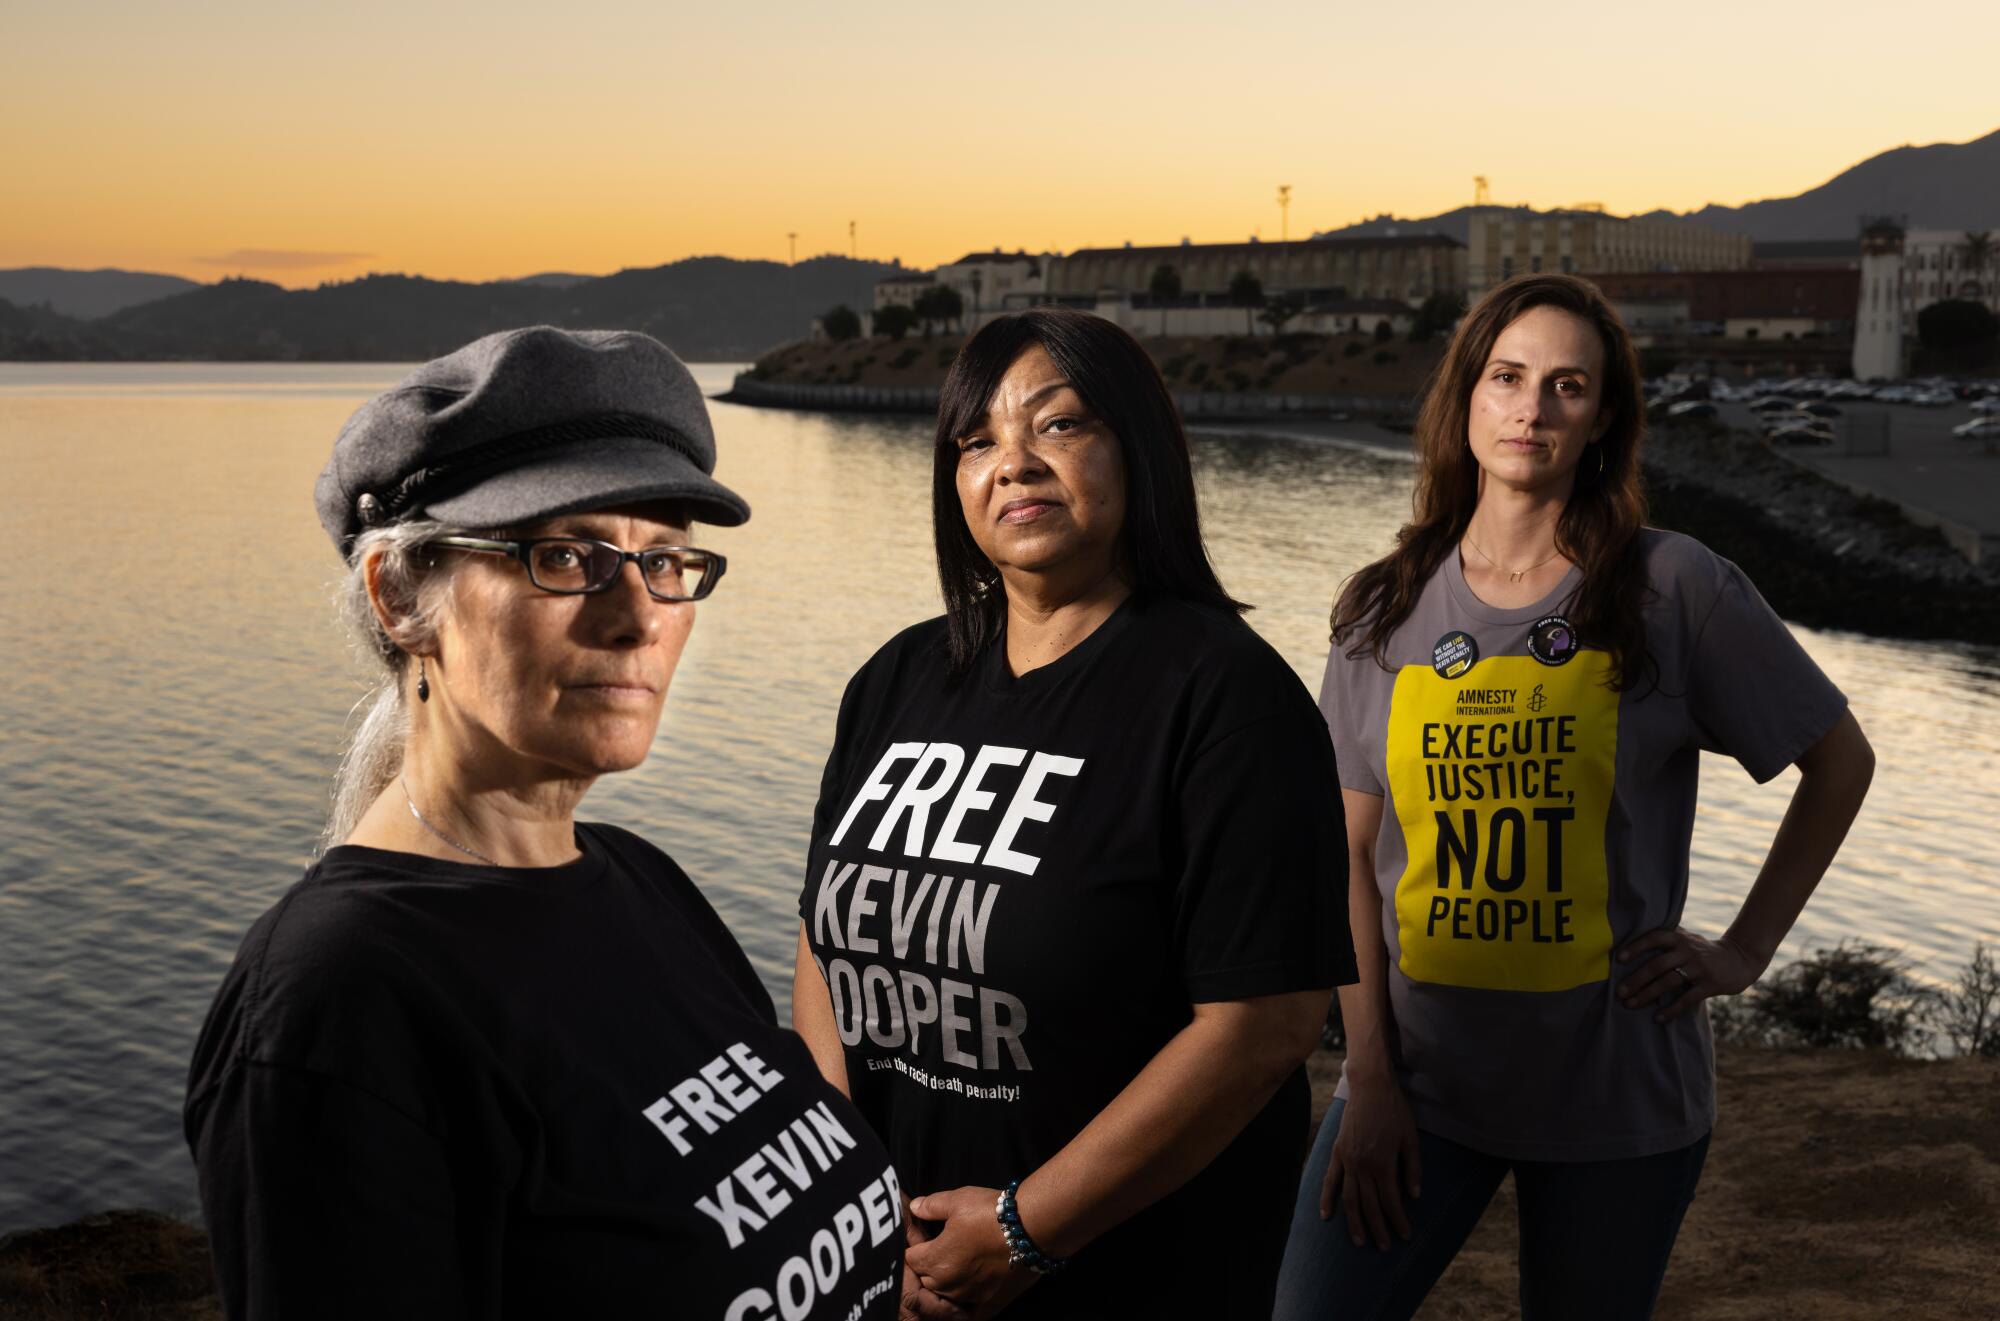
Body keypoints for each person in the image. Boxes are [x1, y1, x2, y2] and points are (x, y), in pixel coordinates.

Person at [184, 327, 904, 1320]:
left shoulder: (642, 884)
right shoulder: (341, 1003)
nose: (639, 616)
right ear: (399, 595)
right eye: (567, 555)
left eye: (664, 560)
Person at [1272, 274, 1876, 1321]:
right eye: (1506, 377)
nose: (1530, 408)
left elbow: (1838, 762)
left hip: (1616, 1100)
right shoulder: (1383, 606)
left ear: (1599, 421)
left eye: (1565, 385)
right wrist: (1364, 1074)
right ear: (1464, 399)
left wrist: (1740, 952)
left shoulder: (1672, 587)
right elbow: (1347, 863)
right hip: (1417, 1087)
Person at [790, 308, 1356, 1321]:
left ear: (1136, 448)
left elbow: (1265, 1020)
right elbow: (820, 934)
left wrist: (1024, 1229)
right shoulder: (897, 678)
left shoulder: (1225, 697)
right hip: (900, 1267)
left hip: (1129, 1274)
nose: (1012, 464)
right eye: (976, 441)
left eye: (1056, 426)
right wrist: (845, 1183)